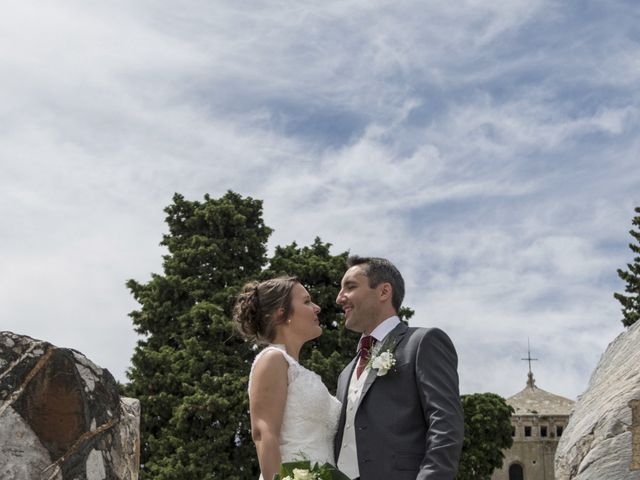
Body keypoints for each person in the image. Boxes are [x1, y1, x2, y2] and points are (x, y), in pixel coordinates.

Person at [334, 256, 464, 480]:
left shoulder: (423, 342)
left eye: (351, 287)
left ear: (384, 292)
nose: (339, 299)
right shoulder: (346, 373)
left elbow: (445, 424)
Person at [234, 276, 342, 480]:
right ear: (281, 314)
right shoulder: (272, 359)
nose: (316, 307)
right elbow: (264, 434)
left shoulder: (299, 370)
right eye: (307, 301)